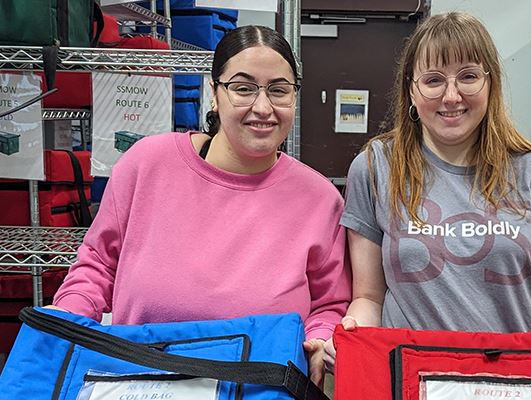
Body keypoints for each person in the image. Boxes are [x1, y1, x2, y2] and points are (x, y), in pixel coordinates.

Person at [323, 11, 531, 370]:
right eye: (433, 80)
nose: (451, 96)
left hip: (520, 378)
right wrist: (350, 335)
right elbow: (369, 297)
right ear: (411, 91)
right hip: (416, 377)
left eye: (468, 76)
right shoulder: (375, 167)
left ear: (490, 83)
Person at [50, 25, 351, 386]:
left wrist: (319, 339)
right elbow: (98, 263)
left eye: (279, 91)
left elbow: (330, 302)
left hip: (257, 386)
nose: (262, 107)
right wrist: (67, 317)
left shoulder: (319, 199)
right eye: (242, 88)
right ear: (214, 93)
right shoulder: (148, 163)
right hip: (141, 376)